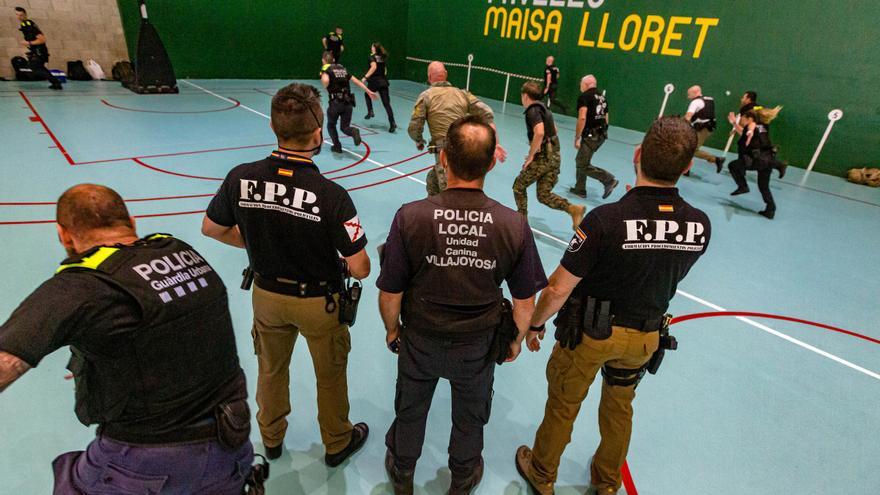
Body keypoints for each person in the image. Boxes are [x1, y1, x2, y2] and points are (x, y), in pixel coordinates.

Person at [0, 184, 256, 493]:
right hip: (232, 447)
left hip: (145, 460)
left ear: (64, 235)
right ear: (132, 223)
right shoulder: (181, 251)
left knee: (72, 480)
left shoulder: (80, 286)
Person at [515, 117, 712, 495]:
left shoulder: (606, 221)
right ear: (687, 166)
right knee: (620, 407)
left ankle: (542, 473)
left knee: (564, 403)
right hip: (644, 337)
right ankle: (607, 481)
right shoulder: (699, 225)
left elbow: (557, 288)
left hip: (590, 335)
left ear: (637, 155)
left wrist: (535, 324)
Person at [202, 83, 372, 467]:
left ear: (275, 129)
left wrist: (261, 243)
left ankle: (272, 439)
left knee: (271, 370)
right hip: (319, 302)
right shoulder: (331, 195)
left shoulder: (240, 178)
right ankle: (336, 442)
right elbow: (361, 266)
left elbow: (211, 228)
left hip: (267, 296)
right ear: (317, 134)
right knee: (329, 377)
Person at [378, 115, 547, 495]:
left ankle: (403, 471)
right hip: (478, 345)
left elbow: (390, 293)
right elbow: (525, 301)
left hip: (420, 338)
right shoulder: (512, 225)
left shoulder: (411, 216)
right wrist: (515, 340)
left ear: (443, 159)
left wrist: (393, 331)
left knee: (410, 408)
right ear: (491, 164)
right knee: (470, 418)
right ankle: (462, 477)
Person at [409, 61, 507, 196]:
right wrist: (495, 143)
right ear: (446, 75)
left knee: (450, 194)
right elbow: (487, 112)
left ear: (429, 77)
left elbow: (414, 126)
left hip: (445, 153)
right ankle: (433, 208)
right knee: (432, 180)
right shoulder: (463, 94)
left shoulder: (426, 96)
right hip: (464, 146)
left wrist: (419, 140)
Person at [513, 81, 586, 230]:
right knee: (543, 194)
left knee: (518, 186)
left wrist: (531, 156)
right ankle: (573, 209)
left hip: (544, 159)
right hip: (555, 157)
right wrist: (538, 145)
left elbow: (539, 132)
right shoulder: (544, 108)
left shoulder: (533, 111)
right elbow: (554, 130)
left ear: (525, 96)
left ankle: (521, 221)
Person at [729, 109, 786, 219]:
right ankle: (771, 209)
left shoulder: (752, 125)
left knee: (733, 166)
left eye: (743, 118)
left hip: (757, 160)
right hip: (767, 158)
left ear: (749, 119)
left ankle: (743, 186)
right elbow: (745, 132)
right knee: (763, 186)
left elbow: (749, 131)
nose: (741, 120)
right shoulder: (763, 126)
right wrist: (735, 124)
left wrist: (744, 131)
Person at [570, 75, 618, 200]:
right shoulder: (602, 97)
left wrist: (577, 137)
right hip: (601, 134)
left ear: (586, 84)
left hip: (592, 135)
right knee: (582, 159)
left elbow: (582, 117)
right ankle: (580, 189)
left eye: (581, 83)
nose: (580, 86)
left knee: (582, 164)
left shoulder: (584, 97)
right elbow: (606, 117)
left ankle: (608, 179)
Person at [320, 51, 377, 153]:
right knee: (345, 127)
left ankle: (337, 146)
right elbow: (356, 81)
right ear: (333, 60)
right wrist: (368, 91)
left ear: (323, 61)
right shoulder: (342, 68)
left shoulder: (326, 69)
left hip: (335, 103)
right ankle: (353, 131)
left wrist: (325, 85)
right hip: (348, 102)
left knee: (331, 125)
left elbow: (325, 80)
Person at [14, 6, 62, 90]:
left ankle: (56, 82)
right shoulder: (25, 24)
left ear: (25, 14)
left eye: (21, 15)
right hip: (36, 50)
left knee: (35, 68)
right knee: (39, 67)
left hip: (40, 51)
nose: (19, 17)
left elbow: (42, 39)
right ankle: (56, 83)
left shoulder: (28, 24)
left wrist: (28, 43)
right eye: (17, 15)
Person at [684, 85, 724, 173]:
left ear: (695, 93)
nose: (688, 97)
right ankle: (686, 170)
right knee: (688, 147)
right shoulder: (709, 99)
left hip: (702, 129)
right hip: (708, 128)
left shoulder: (695, 102)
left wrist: (683, 126)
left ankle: (716, 159)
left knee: (692, 150)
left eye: (689, 94)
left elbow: (689, 115)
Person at [363, 42, 397, 132]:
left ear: (374, 48)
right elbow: (385, 70)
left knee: (367, 94)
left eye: (372, 47)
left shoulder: (372, 57)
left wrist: (365, 77)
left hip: (375, 81)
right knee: (387, 104)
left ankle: (370, 111)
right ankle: (392, 123)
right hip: (383, 82)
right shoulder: (382, 57)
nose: (371, 48)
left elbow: (373, 67)